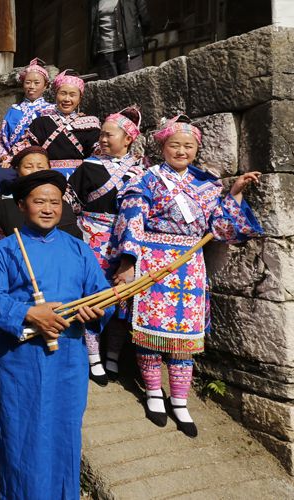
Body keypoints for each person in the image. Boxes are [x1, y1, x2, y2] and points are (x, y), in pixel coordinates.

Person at [111, 116, 262, 437]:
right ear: (163, 147)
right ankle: (154, 392)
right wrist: (128, 262)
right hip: (153, 260)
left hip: (190, 265)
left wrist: (235, 192)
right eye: (175, 145)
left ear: (196, 149)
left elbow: (220, 228)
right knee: (149, 333)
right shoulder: (146, 180)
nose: (181, 151)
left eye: (188, 146)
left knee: (185, 338)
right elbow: (133, 219)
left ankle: (180, 400)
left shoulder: (207, 186)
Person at [0, 170, 108, 500]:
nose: (48, 208)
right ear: (22, 205)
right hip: (20, 358)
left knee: (65, 427)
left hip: (69, 357)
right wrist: (29, 312)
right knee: (21, 429)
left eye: (55, 202)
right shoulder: (6, 249)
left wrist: (96, 311)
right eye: (39, 202)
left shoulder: (79, 249)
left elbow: (101, 295)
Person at [68, 106, 147, 385]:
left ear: (128, 139)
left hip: (126, 241)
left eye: (108, 135)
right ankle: (93, 356)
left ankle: (113, 354)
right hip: (91, 237)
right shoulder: (88, 167)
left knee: (121, 297)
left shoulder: (142, 171)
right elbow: (70, 203)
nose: (101, 139)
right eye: (100, 134)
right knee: (92, 295)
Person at [0, 146, 82, 241]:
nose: (35, 171)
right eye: (28, 167)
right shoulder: (5, 205)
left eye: (40, 167)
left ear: (49, 169)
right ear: (17, 170)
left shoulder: (63, 204)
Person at [22, 70, 100, 177]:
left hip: (80, 177)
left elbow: (97, 155)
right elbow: (28, 151)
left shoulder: (90, 124)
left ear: (79, 99)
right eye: (63, 93)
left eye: (72, 95)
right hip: (47, 176)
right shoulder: (40, 122)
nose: (67, 99)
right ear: (56, 95)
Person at [0, 58, 53, 165]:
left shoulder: (52, 111)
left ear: (45, 86)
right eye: (28, 82)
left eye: (37, 83)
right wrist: (4, 156)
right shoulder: (13, 110)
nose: (31, 86)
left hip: (42, 162)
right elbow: (1, 140)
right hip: (14, 162)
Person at [90, 0, 151, 79]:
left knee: (133, 84)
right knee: (109, 86)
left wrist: (134, 40)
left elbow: (145, 20)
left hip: (130, 53)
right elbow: (92, 28)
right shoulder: (94, 2)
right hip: (104, 55)